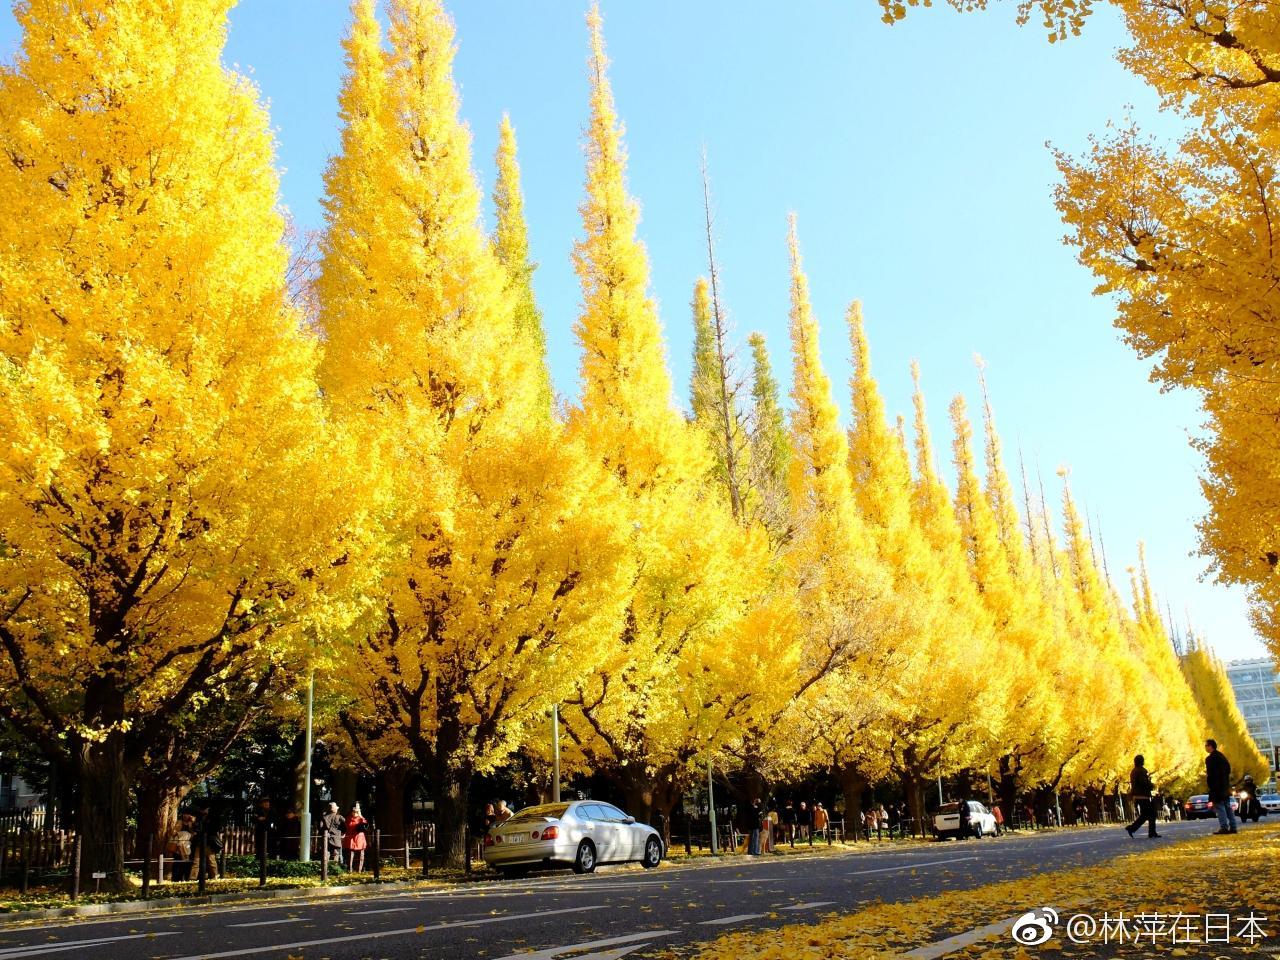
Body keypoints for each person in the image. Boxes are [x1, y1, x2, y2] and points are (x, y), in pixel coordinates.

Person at [1205, 739, 1237, 835]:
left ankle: (1224, 827)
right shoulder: (1222, 756)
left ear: (1210, 746)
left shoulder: (1210, 759)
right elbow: (1228, 769)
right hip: (1225, 786)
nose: (1205, 747)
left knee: (1219, 807)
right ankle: (1233, 827)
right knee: (1227, 807)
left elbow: (1210, 774)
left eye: (1206, 745)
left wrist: (1211, 784)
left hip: (1216, 787)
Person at [1125, 754, 1161, 839]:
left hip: (1137, 796)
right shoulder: (1141, 771)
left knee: (1145, 815)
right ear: (1142, 761)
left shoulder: (1133, 771)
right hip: (1143, 795)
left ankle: (1132, 828)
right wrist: (1151, 785)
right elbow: (1143, 782)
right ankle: (1151, 832)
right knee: (1151, 813)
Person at [164, 816, 193, 882]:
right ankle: (175, 879)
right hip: (179, 847)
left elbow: (192, 833)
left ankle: (182, 878)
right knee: (178, 863)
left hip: (186, 846)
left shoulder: (190, 823)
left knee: (184, 864)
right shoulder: (180, 824)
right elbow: (175, 834)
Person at [344, 802, 368, 872]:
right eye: (356, 807)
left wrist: (360, 816)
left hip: (360, 838)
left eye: (358, 807)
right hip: (351, 837)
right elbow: (347, 825)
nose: (357, 808)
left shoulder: (361, 818)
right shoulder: (348, 818)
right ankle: (350, 870)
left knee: (361, 854)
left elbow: (365, 825)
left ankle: (359, 870)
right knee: (350, 854)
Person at [322, 802, 345, 866]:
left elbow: (321, 827)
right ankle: (334, 868)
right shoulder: (339, 817)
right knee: (336, 853)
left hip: (326, 837)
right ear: (335, 809)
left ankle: (326, 868)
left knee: (327, 853)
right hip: (336, 838)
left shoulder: (324, 817)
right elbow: (346, 825)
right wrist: (344, 833)